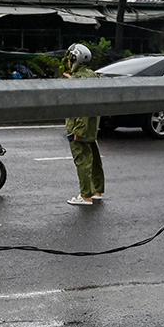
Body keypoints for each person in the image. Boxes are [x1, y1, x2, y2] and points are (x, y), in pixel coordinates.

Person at [63, 43, 105, 206]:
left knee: (82, 160)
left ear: (73, 59)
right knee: (94, 158)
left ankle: (85, 195)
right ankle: (96, 190)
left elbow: (81, 107)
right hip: (92, 126)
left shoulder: (78, 80)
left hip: (79, 126)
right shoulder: (93, 76)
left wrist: (77, 130)